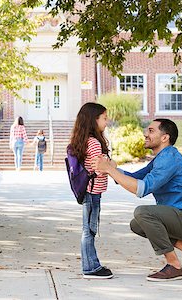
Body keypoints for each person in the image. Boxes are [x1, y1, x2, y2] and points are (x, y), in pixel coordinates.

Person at [91, 118, 182, 282]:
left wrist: (110, 170)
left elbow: (141, 188)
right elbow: (134, 178)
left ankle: (174, 265)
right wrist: (112, 169)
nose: (145, 134)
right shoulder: (160, 158)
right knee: (137, 224)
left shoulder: (169, 158)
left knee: (143, 213)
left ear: (165, 138)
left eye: (151, 131)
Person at [69, 102, 113, 279]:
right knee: (89, 230)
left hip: (90, 190)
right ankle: (90, 267)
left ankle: (92, 263)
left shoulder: (84, 140)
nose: (106, 122)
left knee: (89, 229)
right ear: (93, 120)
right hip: (92, 192)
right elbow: (101, 168)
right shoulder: (94, 143)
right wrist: (111, 165)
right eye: (104, 118)